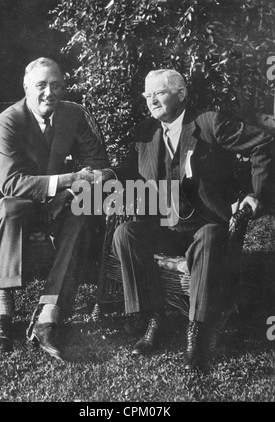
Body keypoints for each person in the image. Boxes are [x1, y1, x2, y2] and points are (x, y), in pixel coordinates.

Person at [112, 69, 275, 371]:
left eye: (159, 93)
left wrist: (256, 193)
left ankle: (198, 334)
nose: (151, 100)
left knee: (211, 236)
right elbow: (128, 173)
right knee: (126, 233)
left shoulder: (208, 123)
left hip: (208, 224)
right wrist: (100, 179)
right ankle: (153, 318)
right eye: (147, 95)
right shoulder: (145, 132)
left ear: (181, 93)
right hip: (166, 223)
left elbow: (263, 142)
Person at [0, 57, 113, 360]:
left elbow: (100, 164)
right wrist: (71, 178)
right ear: (27, 87)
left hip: (58, 201)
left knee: (83, 213)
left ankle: (49, 314)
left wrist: (90, 178)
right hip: (16, 199)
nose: (49, 92)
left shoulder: (72, 116)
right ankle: (2, 310)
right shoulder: (8, 120)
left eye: (56, 85)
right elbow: (13, 183)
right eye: (41, 85)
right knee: (11, 208)